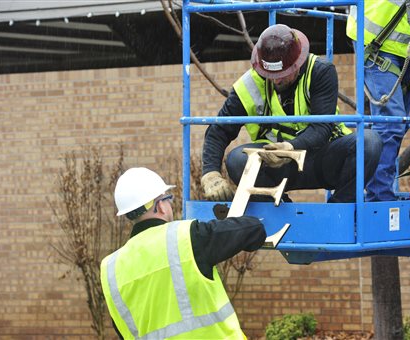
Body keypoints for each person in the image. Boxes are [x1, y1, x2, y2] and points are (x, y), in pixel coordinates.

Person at [201, 24, 382, 203]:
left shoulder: (320, 71)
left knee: (369, 142)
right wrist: (210, 173)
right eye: (270, 74)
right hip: (276, 165)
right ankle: (283, 211)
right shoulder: (249, 84)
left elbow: (321, 128)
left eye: (283, 73)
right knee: (237, 160)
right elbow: (219, 130)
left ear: (298, 63)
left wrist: (291, 147)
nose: (277, 79)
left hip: (322, 158)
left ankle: (338, 211)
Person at [100, 167, 266, 339]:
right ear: (161, 206)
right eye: (168, 199)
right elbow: (253, 229)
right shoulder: (186, 237)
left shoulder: (110, 269)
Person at [346, 0, 410, 201]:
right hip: (378, 40)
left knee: (398, 125)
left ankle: (380, 193)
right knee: (391, 124)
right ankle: (379, 198)